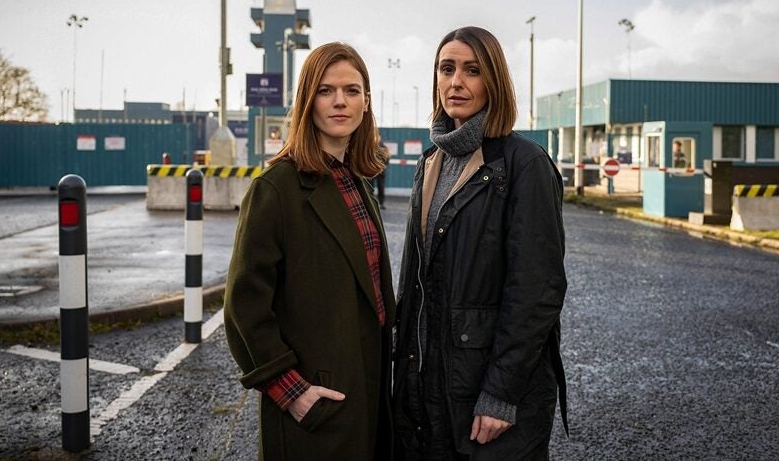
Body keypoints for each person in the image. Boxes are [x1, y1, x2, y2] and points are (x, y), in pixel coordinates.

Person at [392, 26, 568, 460]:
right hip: (428, 383)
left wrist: (500, 392)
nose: (456, 82)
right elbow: (415, 281)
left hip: (486, 393)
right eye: (446, 68)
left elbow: (537, 290)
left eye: (472, 70)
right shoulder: (430, 162)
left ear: (494, 81)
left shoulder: (524, 163)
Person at [224, 42, 396, 461]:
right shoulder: (276, 189)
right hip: (317, 401)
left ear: (366, 102)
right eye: (325, 90)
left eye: (352, 91)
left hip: (368, 389)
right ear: (307, 102)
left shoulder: (357, 182)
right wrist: (291, 391)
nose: (340, 101)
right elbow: (243, 305)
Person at [374, 138, 391, 209]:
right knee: (380, 187)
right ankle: (381, 203)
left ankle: (377, 203)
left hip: (374, 170)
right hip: (379, 171)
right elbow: (387, 159)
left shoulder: (372, 147)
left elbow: (387, 158)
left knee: (371, 187)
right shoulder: (384, 148)